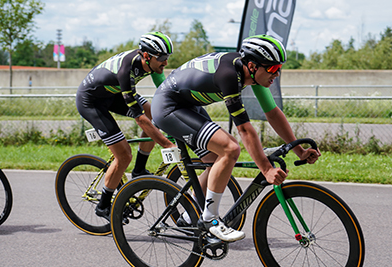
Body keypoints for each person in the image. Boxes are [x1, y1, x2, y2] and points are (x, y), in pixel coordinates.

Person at [151, 35, 320, 242]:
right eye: (273, 69)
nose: (276, 75)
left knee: (215, 161)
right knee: (230, 148)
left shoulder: (253, 74)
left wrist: (299, 150)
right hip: (167, 107)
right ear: (252, 65)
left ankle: (189, 216)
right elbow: (245, 130)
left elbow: (273, 113)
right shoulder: (229, 75)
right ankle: (210, 220)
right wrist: (266, 169)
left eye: (279, 69)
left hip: (186, 106)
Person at [76, 31, 176, 220]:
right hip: (92, 101)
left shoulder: (150, 64)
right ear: (147, 56)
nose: (166, 63)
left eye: (167, 57)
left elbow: (163, 89)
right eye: (162, 58)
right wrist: (166, 144)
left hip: (112, 93)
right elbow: (140, 119)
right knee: (123, 155)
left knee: (154, 112)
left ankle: (139, 170)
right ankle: (104, 205)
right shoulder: (126, 71)